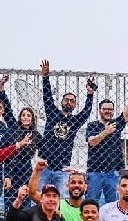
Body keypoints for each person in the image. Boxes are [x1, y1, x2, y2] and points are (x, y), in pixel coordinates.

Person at [38, 60, 94, 191]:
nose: (69, 102)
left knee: (61, 200)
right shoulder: (52, 113)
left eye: (72, 101)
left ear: (75, 105)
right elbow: (47, 97)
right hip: (45, 164)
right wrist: (45, 77)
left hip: (63, 167)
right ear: (62, 102)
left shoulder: (75, 122)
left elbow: (86, 113)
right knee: (41, 198)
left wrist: (90, 94)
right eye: (66, 100)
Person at [85, 98, 128, 203]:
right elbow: (92, 142)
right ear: (99, 110)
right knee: (91, 203)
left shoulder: (116, 124)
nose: (107, 111)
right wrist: (105, 132)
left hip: (112, 171)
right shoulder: (92, 125)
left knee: (113, 204)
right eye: (104, 109)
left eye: (110, 109)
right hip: (94, 171)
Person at [3, 106, 42, 211]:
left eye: (29, 115)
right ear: (20, 118)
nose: (26, 117)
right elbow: (7, 112)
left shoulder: (35, 134)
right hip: (12, 164)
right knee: (11, 198)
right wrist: (8, 175)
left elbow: (44, 148)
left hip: (26, 166)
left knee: (25, 197)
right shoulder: (13, 131)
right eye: (23, 115)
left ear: (32, 119)